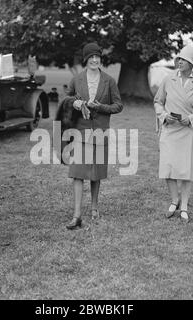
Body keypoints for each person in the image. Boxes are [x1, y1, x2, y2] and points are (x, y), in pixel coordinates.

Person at [65, 42, 123, 230]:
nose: (95, 60)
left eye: (97, 57)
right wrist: (76, 104)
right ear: (86, 59)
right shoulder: (77, 79)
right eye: (91, 57)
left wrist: (101, 107)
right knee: (77, 173)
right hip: (80, 132)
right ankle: (76, 215)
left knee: (95, 173)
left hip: (100, 131)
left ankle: (95, 207)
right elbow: (67, 99)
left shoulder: (109, 81)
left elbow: (118, 105)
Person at [154, 45, 193, 222]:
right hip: (169, 130)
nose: (180, 62)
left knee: (186, 170)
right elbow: (158, 101)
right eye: (179, 58)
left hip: (187, 131)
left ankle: (184, 206)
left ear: (192, 63)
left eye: (184, 60)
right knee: (168, 168)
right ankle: (174, 200)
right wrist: (164, 116)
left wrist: (192, 118)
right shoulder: (168, 79)